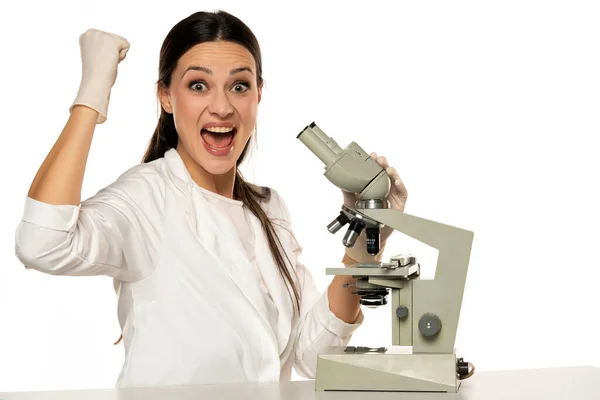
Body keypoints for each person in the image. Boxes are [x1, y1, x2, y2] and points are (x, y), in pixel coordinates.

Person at [14, 10, 408, 388]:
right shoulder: (144, 199)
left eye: (239, 86)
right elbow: (41, 243)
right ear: (166, 97)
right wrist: (91, 96)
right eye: (198, 85)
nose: (222, 107)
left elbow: (311, 354)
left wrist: (361, 252)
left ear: (258, 96)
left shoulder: (269, 208)